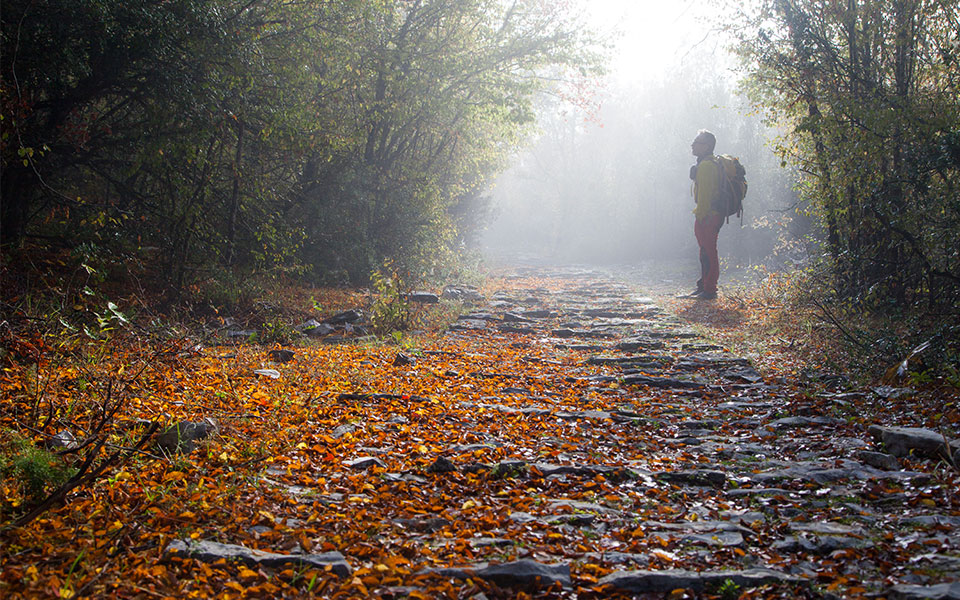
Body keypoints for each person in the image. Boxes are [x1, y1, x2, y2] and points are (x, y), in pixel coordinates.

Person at [684, 129, 724, 300]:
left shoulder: (707, 166)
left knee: (708, 251)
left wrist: (700, 215)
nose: (693, 145)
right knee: (705, 252)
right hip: (709, 214)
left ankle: (709, 289)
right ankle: (704, 287)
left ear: (707, 146)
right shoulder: (706, 163)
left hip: (708, 215)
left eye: (697, 142)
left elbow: (705, 195)